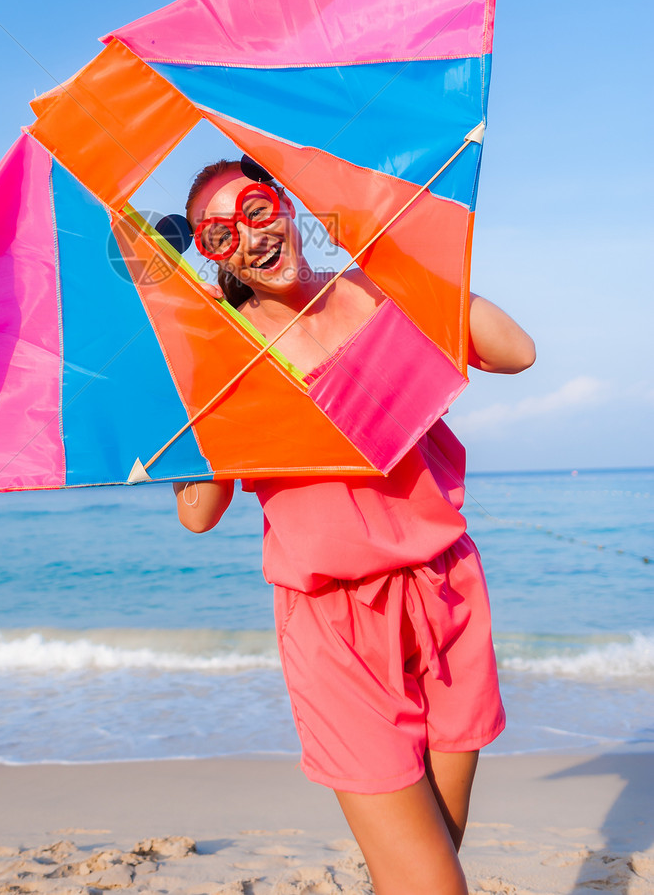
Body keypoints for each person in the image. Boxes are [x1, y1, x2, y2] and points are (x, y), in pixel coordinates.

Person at [172, 159, 536, 895]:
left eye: (256, 207)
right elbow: (198, 513)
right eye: (219, 233)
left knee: (436, 849)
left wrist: (395, 257)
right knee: (430, 882)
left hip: (447, 595)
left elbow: (514, 351)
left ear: (285, 203)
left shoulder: (376, 291)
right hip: (335, 627)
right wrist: (200, 386)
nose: (248, 234)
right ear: (212, 256)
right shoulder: (226, 356)